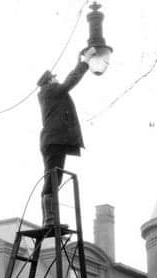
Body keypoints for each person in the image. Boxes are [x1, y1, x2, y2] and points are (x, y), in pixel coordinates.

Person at [37, 47, 97, 226]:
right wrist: (85, 62)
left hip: (55, 141)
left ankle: (50, 218)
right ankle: (49, 219)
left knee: (54, 178)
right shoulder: (50, 91)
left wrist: (79, 60)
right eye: (54, 77)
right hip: (54, 141)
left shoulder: (51, 93)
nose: (57, 79)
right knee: (53, 178)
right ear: (49, 81)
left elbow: (67, 81)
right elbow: (70, 81)